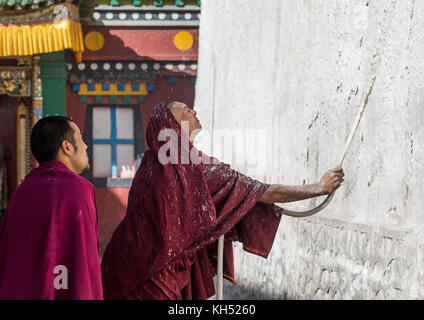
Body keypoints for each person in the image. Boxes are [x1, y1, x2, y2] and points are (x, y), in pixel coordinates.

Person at [101, 101, 344, 300]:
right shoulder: (193, 169)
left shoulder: (150, 165)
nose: (194, 111)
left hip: (119, 265)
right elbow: (267, 193)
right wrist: (319, 187)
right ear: (172, 125)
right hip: (150, 277)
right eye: (185, 110)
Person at [0, 116, 103, 300]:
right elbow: (86, 264)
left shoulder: (21, 192)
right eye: (80, 137)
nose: (86, 146)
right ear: (67, 147)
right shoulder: (80, 190)